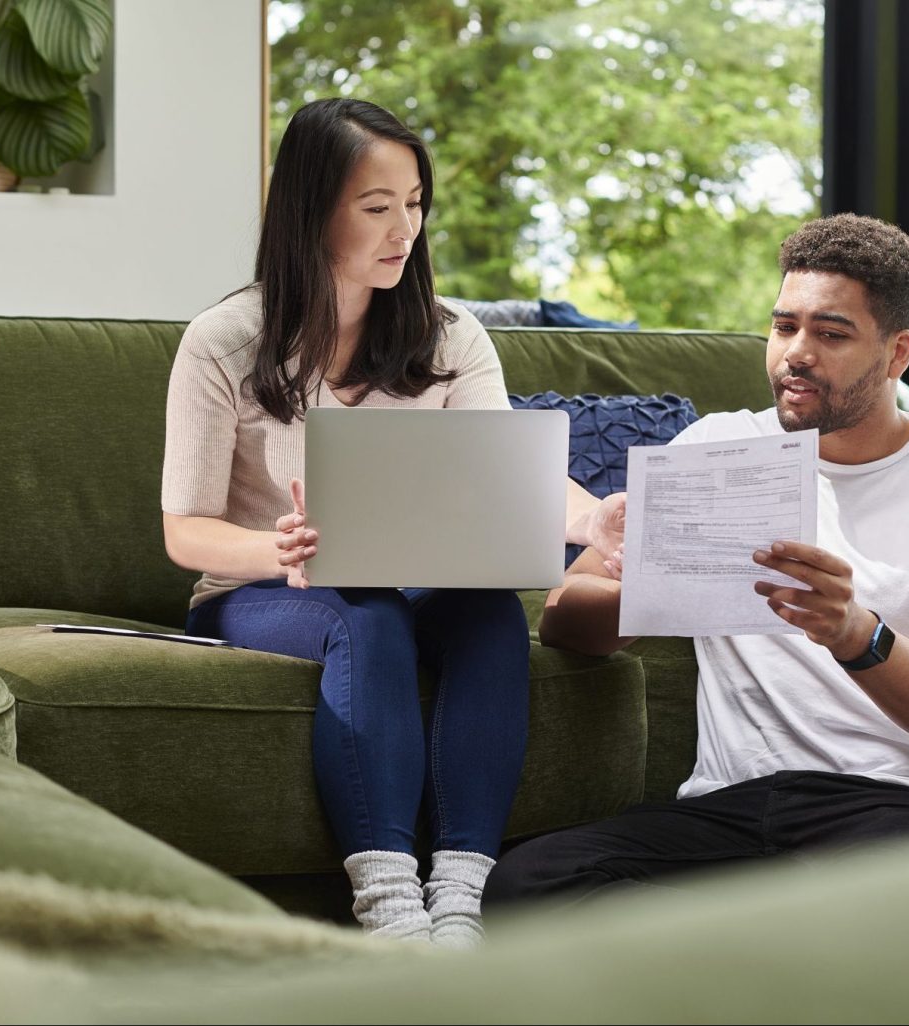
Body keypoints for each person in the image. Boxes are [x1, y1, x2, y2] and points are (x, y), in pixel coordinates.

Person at [482, 213, 909, 910]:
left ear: (898, 353)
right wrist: (647, 586)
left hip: (906, 805)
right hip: (733, 809)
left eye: (831, 333)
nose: (795, 354)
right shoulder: (713, 449)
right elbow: (565, 623)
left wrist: (855, 633)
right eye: (785, 327)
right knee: (527, 886)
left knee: (879, 906)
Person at [160, 97, 621, 947]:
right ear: (311, 211)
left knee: (485, 612)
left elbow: (509, 468)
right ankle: (390, 910)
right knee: (362, 609)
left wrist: (596, 520)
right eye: (376, 208)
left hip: (408, 582)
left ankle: (458, 904)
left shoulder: (450, 337)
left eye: (414, 204)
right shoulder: (223, 341)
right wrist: (277, 548)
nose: (403, 228)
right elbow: (185, 530)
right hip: (264, 590)